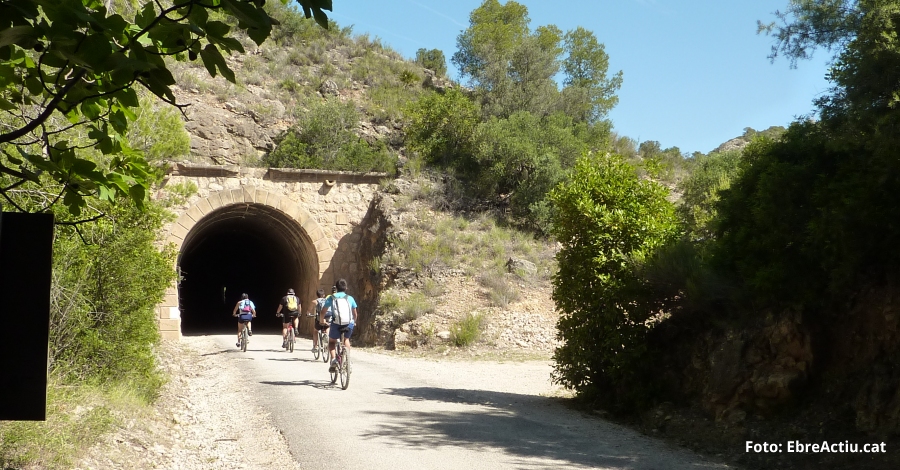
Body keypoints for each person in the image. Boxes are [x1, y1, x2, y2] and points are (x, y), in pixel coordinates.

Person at [324, 279, 357, 372]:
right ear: (346, 288)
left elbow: (324, 310)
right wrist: (354, 321)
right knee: (346, 339)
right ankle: (348, 360)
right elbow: (355, 313)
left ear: (336, 288)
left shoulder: (332, 297)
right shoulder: (350, 298)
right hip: (349, 323)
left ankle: (334, 359)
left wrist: (322, 319)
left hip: (336, 323)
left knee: (332, 342)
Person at [309, 288, 332, 353]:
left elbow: (309, 309)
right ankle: (327, 337)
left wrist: (308, 313)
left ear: (317, 295)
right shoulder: (328, 300)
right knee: (327, 327)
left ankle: (315, 346)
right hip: (329, 316)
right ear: (324, 295)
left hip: (320, 317)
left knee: (315, 331)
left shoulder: (315, 301)